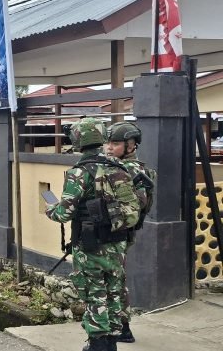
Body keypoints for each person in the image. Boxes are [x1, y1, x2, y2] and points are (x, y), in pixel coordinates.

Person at [46, 118, 141, 351]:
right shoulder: (120, 167)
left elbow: (64, 213)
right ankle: (111, 342)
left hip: (91, 245)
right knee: (113, 291)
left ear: (78, 140)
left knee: (95, 293)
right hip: (118, 242)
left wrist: (50, 208)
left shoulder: (79, 172)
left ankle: (98, 344)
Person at [104, 121, 156, 344]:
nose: (108, 148)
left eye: (115, 144)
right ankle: (121, 326)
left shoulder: (130, 170)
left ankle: (120, 328)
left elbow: (137, 206)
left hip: (119, 233)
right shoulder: (120, 167)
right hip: (119, 232)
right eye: (108, 143)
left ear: (131, 145)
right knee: (116, 277)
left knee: (114, 279)